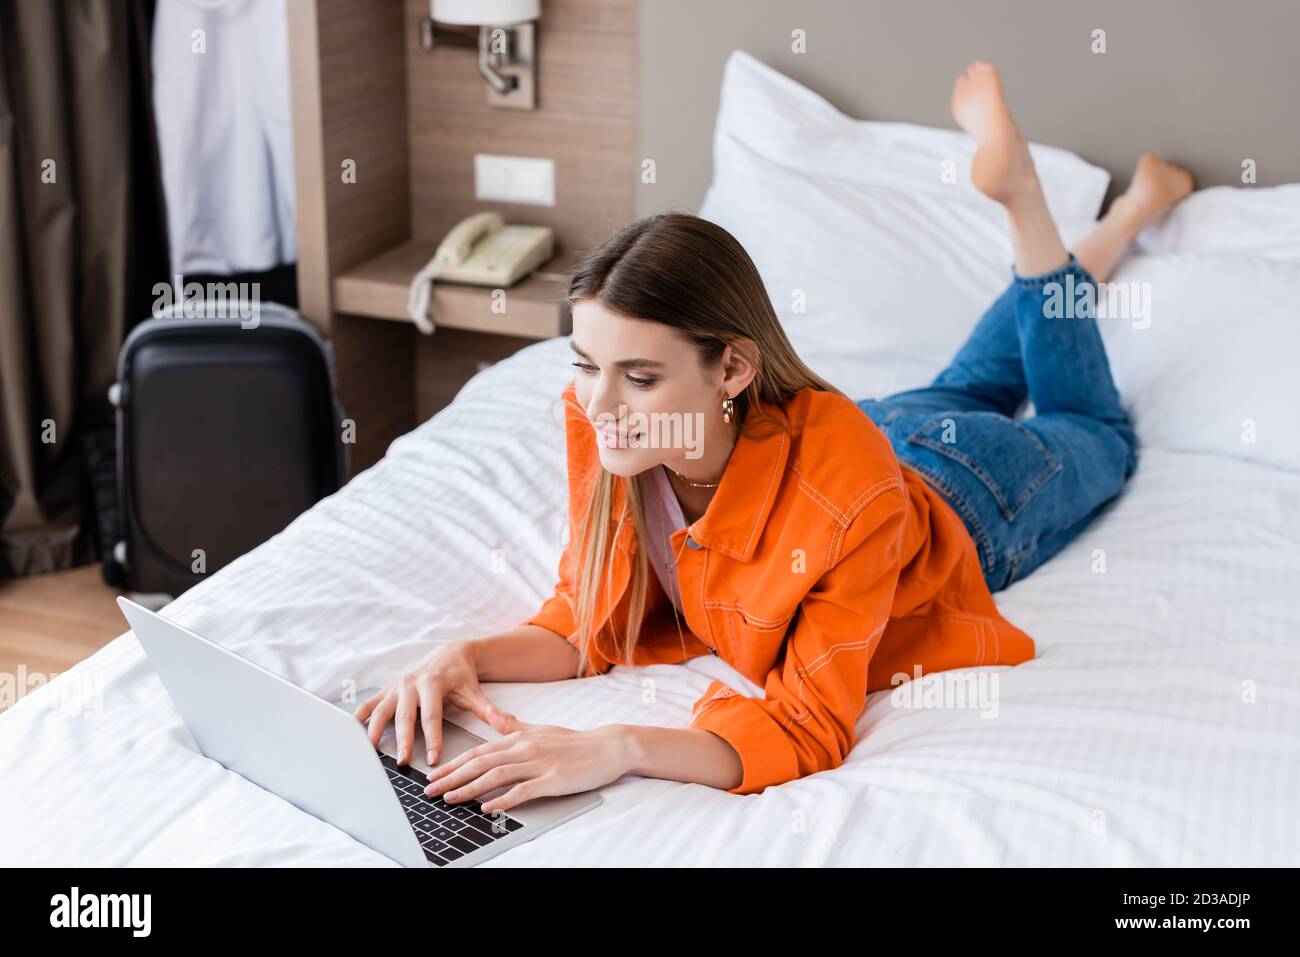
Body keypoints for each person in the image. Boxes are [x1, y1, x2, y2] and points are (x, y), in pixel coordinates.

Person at [355, 61, 1193, 807]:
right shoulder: (610, 430)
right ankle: (1118, 222)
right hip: (880, 430)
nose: (597, 404)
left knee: (1092, 427)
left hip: (962, 490)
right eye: (584, 364)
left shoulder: (844, 499)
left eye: (639, 377)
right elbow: (591, 614)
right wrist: (462, 653)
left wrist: (615, 747)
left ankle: (1034, 207)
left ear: (732, 370)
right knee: (974, 381)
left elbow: (807, 724)